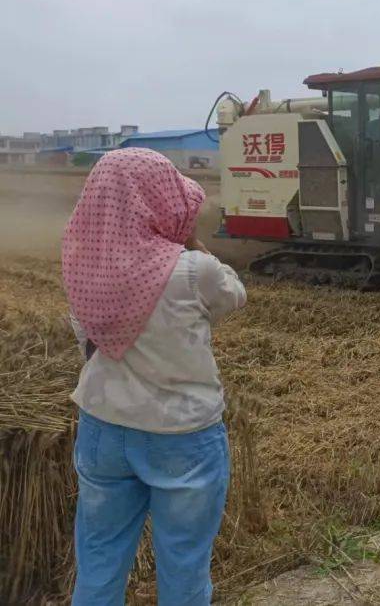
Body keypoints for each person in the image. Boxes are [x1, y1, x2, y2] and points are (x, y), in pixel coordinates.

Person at [62, 148, 246, 605]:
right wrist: (192, 247)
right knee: (183, 567)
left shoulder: (86, 265)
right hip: (181, 436)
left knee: (99, 560)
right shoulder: (193, 271)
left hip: (102, 427)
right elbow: (235, 296)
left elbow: (86, 337)